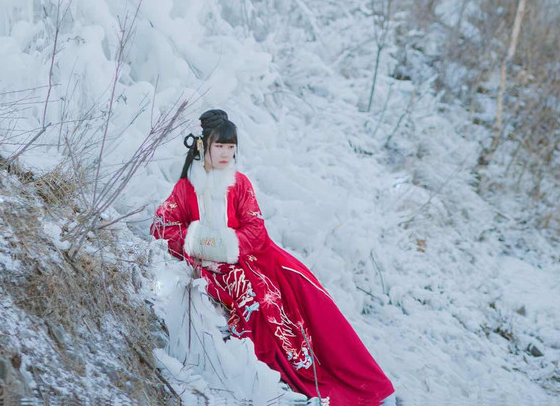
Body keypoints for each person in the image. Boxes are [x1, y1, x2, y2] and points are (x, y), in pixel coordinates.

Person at [151, 108, 395, 406]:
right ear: (203, 146)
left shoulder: (239, 185)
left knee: (309, 294)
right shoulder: (184, 188)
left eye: (231, 147)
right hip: (219, 268)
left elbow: (255, 230)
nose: (226, 153)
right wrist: (196, 243)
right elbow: (162, 227)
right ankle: (283, 379)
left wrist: (226, 246)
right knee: (253, 297)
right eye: (219, 146)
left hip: (257, 256)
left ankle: (362, 386)